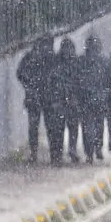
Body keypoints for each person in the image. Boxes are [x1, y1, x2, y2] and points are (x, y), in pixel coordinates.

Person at [15, 38, 55, 161]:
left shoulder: (30, 56)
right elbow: (57, 75)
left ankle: (34, 153)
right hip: (47, 96)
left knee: (33, 126)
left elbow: (19, 73)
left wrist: (29, 85)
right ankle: (54, 154)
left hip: (33, 96)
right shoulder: (51, 57)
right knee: (50, 126)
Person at [44, 36, 78, 164]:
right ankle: (72, 149)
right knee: (72, 127)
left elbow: (49, 83)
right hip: (71, 101)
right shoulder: (76, 62)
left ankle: (57, 155)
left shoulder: (55, 63)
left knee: (58, 130)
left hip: (59, 102)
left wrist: (53, 100)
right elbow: (80, 82)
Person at [78, 33, 109, 162]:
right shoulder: (104, 62)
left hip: (86, 100)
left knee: (87, 127)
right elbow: (110, 81)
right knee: (99, 125)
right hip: (100, 99)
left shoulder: (81, 61)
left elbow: (76, 81)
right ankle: (98, 148)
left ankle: (89, 152)